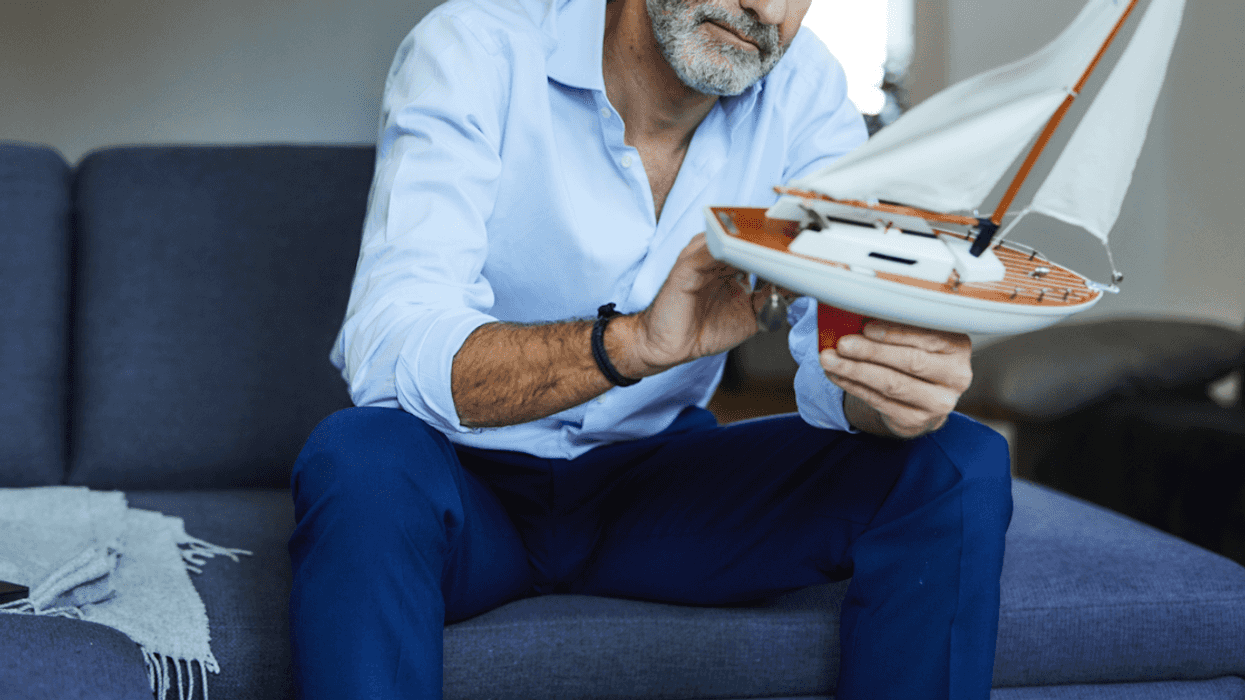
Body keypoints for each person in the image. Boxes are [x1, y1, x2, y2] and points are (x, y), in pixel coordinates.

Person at [287, 0, 1013, 696]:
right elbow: (390, 345)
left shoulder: (803, 87)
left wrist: (889, 390)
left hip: (654, 492)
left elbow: (837, 344)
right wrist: (629, 343)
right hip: (465, 484)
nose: (769, 10)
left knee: (953, 460)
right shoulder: (475, 47)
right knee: (358, 455)